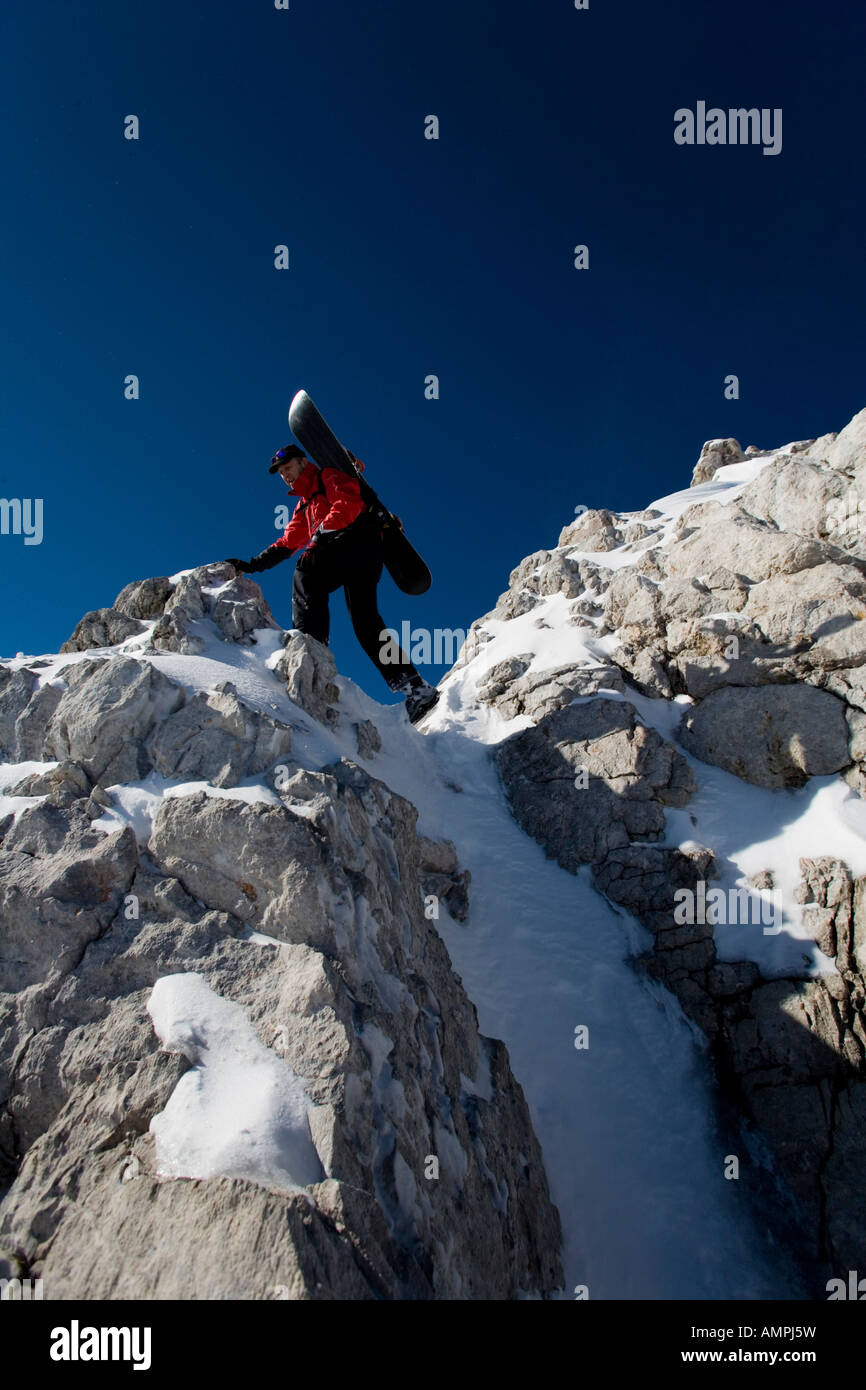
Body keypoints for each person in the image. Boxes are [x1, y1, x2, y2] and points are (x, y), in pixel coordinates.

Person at [226, 444, 439, 723]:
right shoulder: (304, 504)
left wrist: (321, 535)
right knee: (365, 622)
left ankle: (311, 646)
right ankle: (416, 688)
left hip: (359, 541)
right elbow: (288, 542)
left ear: (303, 461)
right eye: (280, 473)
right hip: (358, 556)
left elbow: (349, 503)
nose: (285, 476)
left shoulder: (327, 476)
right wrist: (252, 564)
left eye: (288, 468)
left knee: (306, 571)